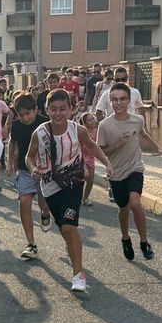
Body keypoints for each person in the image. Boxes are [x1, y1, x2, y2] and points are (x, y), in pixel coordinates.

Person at [28, 89, 111, 294]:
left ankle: (78, 275)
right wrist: (33, 169)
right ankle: (74, 251)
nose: (58, 114)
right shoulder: (40, 133)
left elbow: (91, 146)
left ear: (71, 110)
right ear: (47, 110)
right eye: (54, 109)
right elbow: (29, 157)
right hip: (49, 187)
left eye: (63, 109)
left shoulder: (78, 130)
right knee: (65, 229)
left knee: (68, 227)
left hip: (74, 184)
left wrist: (107, 164)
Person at [96, 83, 162, 262]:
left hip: (135, 168)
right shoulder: (105, 125)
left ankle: (144, 242)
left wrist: (160, 149)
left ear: (129, 100)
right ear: (110, 101)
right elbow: (100, 152)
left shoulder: (137, 120)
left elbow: (143, 135)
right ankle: (125, 238)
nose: (118, 103)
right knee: (124, 208)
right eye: (114, 99)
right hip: (116, 173)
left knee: (135, 203)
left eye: (122, 99)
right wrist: (116, 145)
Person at [7, 93, 51, 259]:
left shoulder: (45, 123)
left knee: (44, 204)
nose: (25, 118)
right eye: (21, 114)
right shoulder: (16, 126)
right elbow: (12, 142)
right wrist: (10, 162)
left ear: (36, 110)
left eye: (28, 113)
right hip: (25, 169)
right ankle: (31, 244)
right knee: (24, 201)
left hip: (45, 170)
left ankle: (45, 214)